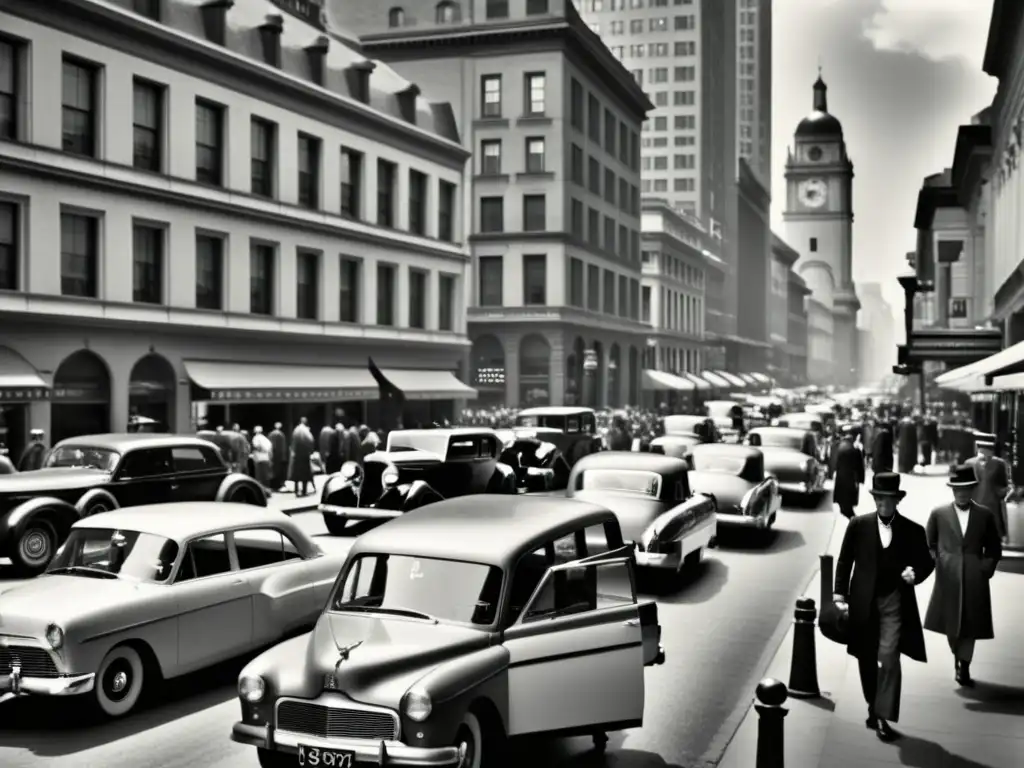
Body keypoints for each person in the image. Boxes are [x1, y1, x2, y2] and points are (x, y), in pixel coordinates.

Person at [833, 472, 934, 742]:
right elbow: (844, 561)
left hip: (894, 601)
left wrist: (916, 574)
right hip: (862, 602)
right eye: (880, 498)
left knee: (889, 657)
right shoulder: (858, 525)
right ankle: (873, 707)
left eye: (889, 499)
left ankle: (882, 716)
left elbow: (927, 562)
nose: (884, 504)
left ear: (896, 501)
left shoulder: (913, 531)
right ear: (874, 499)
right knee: (866, 657)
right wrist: (839, 595)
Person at [924, 465, 1003, 687]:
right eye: (958, 489)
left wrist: (984, 569)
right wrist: (939, 560)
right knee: (951, 624)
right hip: (948, 577)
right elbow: (928, 543)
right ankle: (957, 656)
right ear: (952, 490)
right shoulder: (939, 514)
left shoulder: (984, 515)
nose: (962, 493)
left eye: (967, 489)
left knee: (970, 624)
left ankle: (964, 666)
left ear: (973, 489)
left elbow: (995, 549)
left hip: (974, 577)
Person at [966, 432, 1011, 542]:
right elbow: (1003, 485)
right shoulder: (999, 464)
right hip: (987, 505)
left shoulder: (969, 463)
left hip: (983, 505)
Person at [832, 425, 865, 520]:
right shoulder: (854, 450)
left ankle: (854, 520)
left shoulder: (839, 446)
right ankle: (855, 523)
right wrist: (860, 480)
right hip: (850, 481)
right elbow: (859, 467)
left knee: (844, 506)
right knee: (847, 508)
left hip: (841, 480)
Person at [288, 418, 315, 497]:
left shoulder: (295, 430)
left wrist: (293, 451)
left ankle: (296, 490)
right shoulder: (307, 431)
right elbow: (311, 441)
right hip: (305, 455)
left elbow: (293, 442)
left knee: (297, 474)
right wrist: (311, 451)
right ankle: (304, 491)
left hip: (297, 455)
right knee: (305, 474)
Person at [250, 426, 273, 492]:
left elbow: (257, 447)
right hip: (266, 458)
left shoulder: (255, 438)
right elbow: (270, 449)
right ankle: (268, 490)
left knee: (259, 476)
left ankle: (260, 490)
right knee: (265, 476)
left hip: (259, 459)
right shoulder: (265, 438)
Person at [269, 423, 287, 491]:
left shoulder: (270, 434)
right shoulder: (281, 434)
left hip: (272, 455)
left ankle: (273, 484)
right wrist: (284, 457)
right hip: (279, 456)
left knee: (273, 470)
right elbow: (283, 447)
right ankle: (279, 484)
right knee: (279, 470)